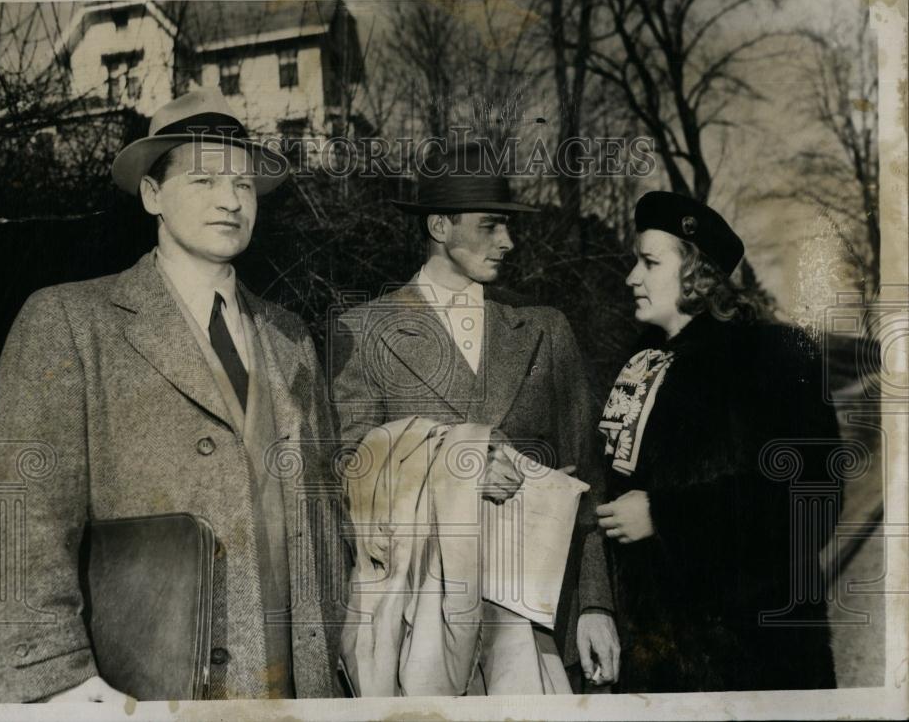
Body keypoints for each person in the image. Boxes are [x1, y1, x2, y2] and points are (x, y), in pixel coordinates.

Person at [0, 89, 342, 702]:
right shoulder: (69, 320)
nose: (231, 200)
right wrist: (59, 680)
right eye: (203, 180)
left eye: (245, 186)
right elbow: (23, 517)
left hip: (292, 682)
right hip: (137, 684)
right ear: (152, 196)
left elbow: (324, 513)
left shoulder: (290, 337)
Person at [330, 142, 619, 693]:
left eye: (509, 226)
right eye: (490, 226)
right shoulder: (363, 332)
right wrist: (457, 472)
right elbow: (351, 477)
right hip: (418, 628)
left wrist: (595, 605)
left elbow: (587, 481)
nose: (508, 242)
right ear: (440, 225)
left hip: (535, 622)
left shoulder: (545, 328)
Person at [596, 190, 839, 692]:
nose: (631, 278)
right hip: (656, 669)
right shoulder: (642, 366)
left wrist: (667, 516)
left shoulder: (774, 357)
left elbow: (808, 503)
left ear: (698, 273)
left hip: (755, 665)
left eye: (648, 262)